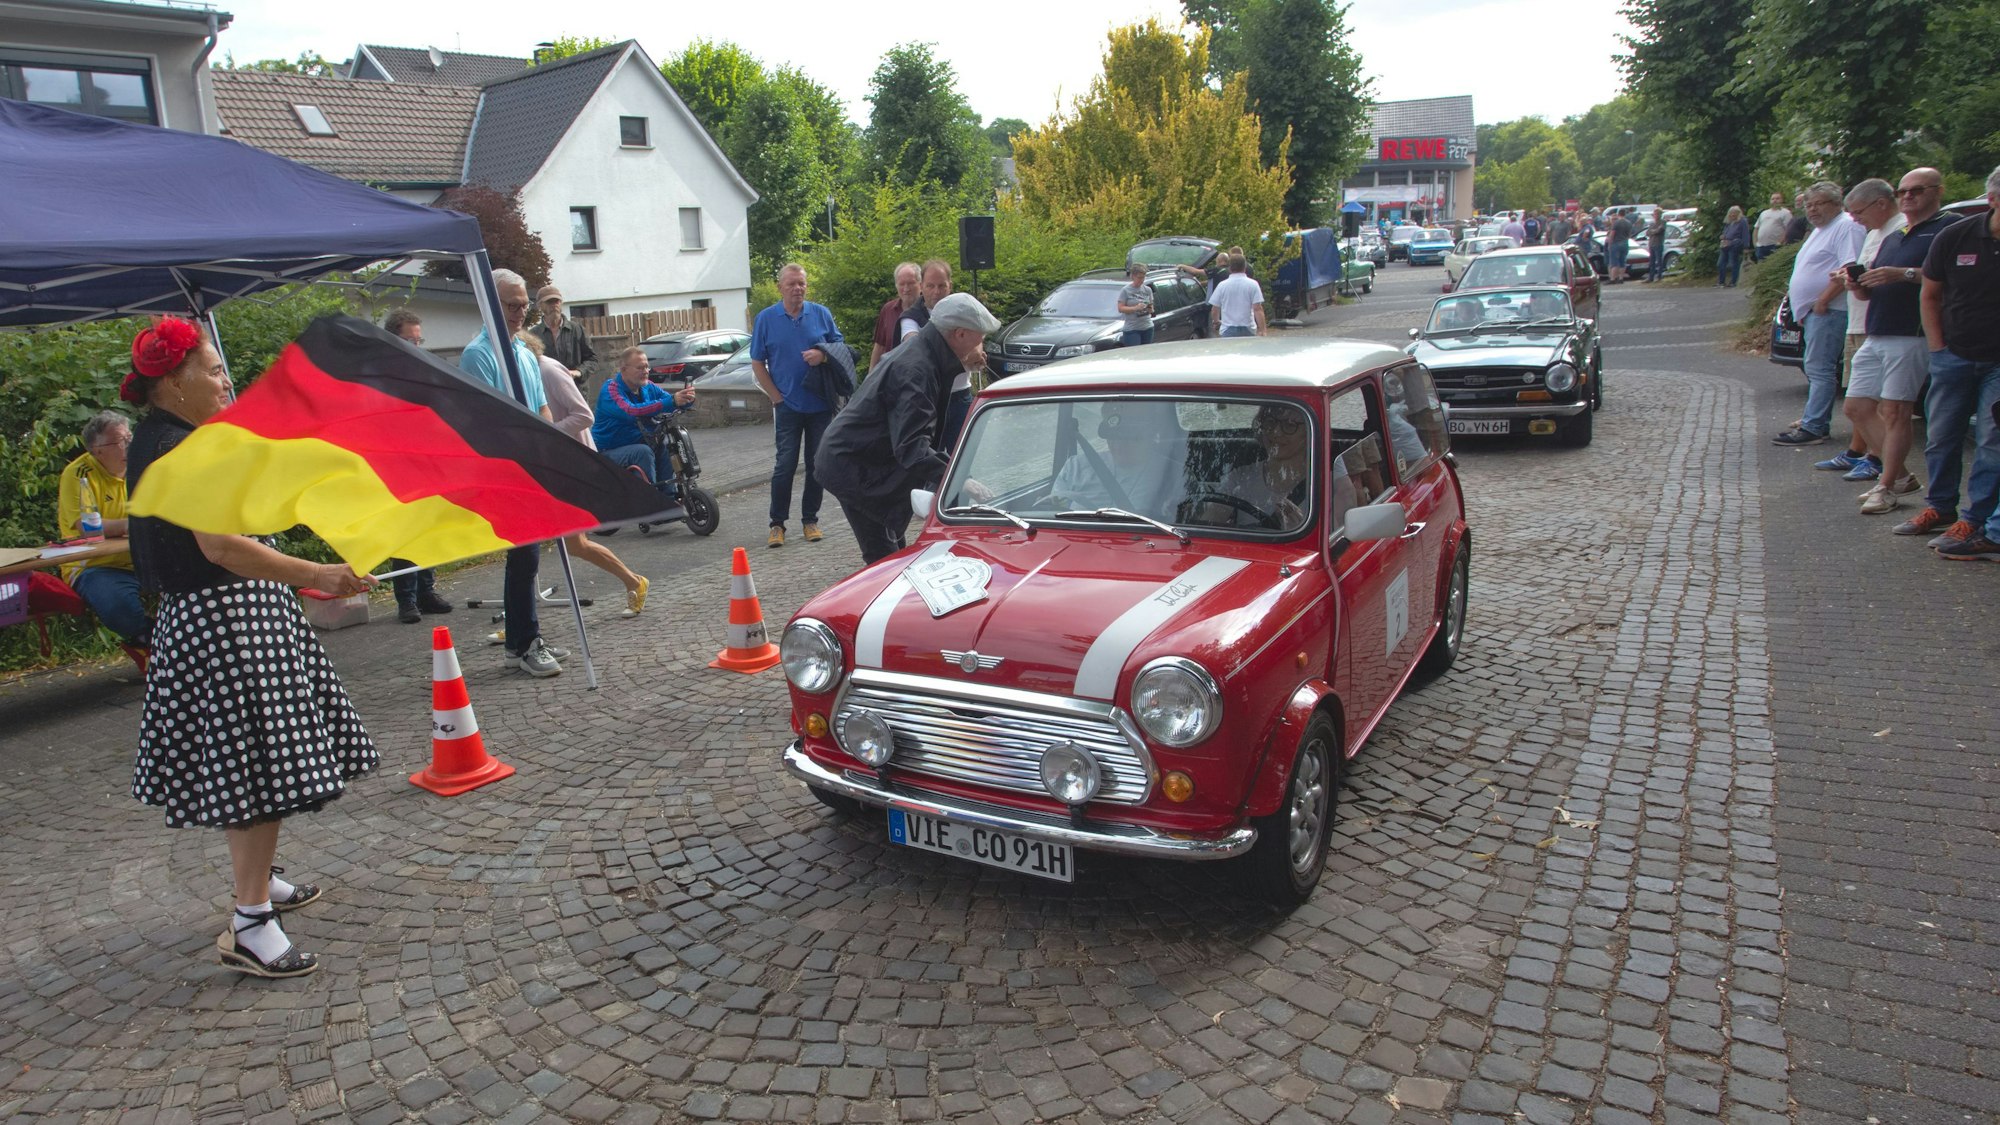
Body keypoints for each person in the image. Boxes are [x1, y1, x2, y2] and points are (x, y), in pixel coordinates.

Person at [119, 316, 377, 979]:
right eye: (212, 369)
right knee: (260, 771)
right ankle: (251, 919)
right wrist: (318, 574)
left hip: (225, 618)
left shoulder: (163, 439)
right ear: (173, 381)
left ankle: (261, 881)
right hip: (228, 623)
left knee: (263, 765)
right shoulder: (186, 448)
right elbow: (221, 548)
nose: (226, 377)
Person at [814, 293, 1001, 564]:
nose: (981, 343)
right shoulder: (917, 369)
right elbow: (912, 447)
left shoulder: (926, 352)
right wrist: (959, 479)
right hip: (854, 466)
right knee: (885, 561)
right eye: (979, 336)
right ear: (959, 334)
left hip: (866, 460)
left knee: (897, 553)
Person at [461, 268, 563, 677]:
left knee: (528, 557)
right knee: (524, 554)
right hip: (505, 466)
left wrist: (548, 447)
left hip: (532, 461)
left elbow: (541, 407)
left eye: (524, 304)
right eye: (512, 305)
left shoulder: (523, 350)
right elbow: (485, 419)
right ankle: (523, 642)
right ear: (490, 304)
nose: (521, 312)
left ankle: (523, 639)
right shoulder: (479, 354)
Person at [1840, 170, 1955, 517]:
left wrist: (1901, 274)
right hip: (1878, 328)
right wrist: (1859, 283)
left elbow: (1949, 278)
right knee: (1856, 406)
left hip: (1912, 332)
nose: (1907, 197)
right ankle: (1901, 476)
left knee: (1896, 411)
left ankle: (1886, 486)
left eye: (1916, 191)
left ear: (1937, 191)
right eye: (1903, 191)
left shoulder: (1947, 228)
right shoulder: (1896, 233)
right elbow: (1876, 281)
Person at [526, 333, 650, 614]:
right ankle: (521, 619)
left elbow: (584, 416)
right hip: (545, 467)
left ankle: (634, 581)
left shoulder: (548, 370)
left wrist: (546, 433)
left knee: (574, 544)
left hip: (571, 466)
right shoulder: (527, 372)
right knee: (535, 543)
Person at [1916, 164, 2000, 561]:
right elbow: (1930, 295)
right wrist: (1938, 349)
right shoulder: (1957, 235)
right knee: (1941, 437)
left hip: (1997, 365)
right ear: (1993, 200)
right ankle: (1939, 507)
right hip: (1954, 356)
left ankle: (1974, 521)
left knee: (1991, 442)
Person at [1816, 179, 1906, 485]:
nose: (1854, 218)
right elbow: (1867, 270)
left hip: (1881, 326)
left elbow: (1899, 276)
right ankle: (1871, 458)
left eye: (1858, 211)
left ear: (1880, 203)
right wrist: (1849, 276)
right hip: (1862, 321)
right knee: (1856, 402)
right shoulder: (1874, 232)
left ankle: (1880, 463)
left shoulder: (1900, 230)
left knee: (1881, 404)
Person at [751, 263, 842, 549]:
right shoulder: (766, 319)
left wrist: (823, 356)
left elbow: (840, 349)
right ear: (780, 287)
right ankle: (777, 524)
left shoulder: (821, 314)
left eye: (801, 283)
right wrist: (776, 397)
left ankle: (810, 520)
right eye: (791, 284)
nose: (797, 289)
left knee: (817, 465)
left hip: (820, 405)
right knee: (785, 465)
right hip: (787, 405)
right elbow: (757, 362)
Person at [1773, 182, 1865, 446]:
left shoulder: (1845, 226)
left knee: (1820, 368)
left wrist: (1822, 301)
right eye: (1808, 204)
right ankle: (1812, 418)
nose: (1811, 209)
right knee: (1815, 367)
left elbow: (1851, 268)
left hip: (1832, 310)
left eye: (1819, 204)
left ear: (1837, 203)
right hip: (1817, 312)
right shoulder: (1822, 229)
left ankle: (1815, 427)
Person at [380, 310, 453, 624]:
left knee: (428, 525)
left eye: (418, 340)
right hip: (396, 460)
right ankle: (406, 600)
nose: (415, 346)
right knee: (406, 530)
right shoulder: (381, 374)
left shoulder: (420, 369)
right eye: (409, 340)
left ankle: (426, 591)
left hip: (425, 456)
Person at [56, 410, 149, 649]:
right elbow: (87, 528)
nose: (130, 444)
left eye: (130, 436)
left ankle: (178, 640)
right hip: (97, 564)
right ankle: (151, 643)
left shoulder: (142, 465)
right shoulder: (78, 475)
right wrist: (135, 525)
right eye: (121, 441)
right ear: (98, 451)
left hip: (142, 555)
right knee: (120, 607)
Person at [592, 345, 697, 514]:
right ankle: (649, 505)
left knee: (665, 443)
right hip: (608, 451)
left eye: (647, 366)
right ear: (624, 369)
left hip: (641, 441)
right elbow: (630, 411)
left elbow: (667, 401)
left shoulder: (648, 386)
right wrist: (672, 401)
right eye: (640, 368)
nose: (646, 371)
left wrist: (686, 399)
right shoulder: (610, 389)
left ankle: (668, 499)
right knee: (642, 452)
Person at [1050, 403, 1182, 516]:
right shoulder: (1076, 466)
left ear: (1150, 433)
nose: (1118, 445)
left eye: (1128, 437)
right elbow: (1055, 510)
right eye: (1112, 436)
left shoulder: (1173, 473)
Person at [1211, 403, 1312, 530]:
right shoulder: (1239, 477)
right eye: (1270, 422)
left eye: (1290, 425)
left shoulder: (1326, 484)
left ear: (1310, 431)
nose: (1276, 432)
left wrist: (1302, 532)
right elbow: (1208, 523)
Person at [528, 285, 597, 378]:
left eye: (557, 301)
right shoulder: (533, 335)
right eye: (549, 302)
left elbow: (592, 359)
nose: (554, 305)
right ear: (540, 305)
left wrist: (579, 372)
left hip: (575, 387)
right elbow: (530, 365)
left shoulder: (577, 329)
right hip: (548, 389)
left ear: (561, 303)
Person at [869, 261, 921, 370]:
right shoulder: (888, 310)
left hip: (921, 377)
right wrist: (870, 378)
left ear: (920, 284)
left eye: (910, 283)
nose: (906, 289)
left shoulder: (929, 310)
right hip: (891, 378)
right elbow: (879, 347)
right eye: (902, 284)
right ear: (896, 285)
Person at [1209, 253, 1267, 338]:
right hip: (1248, 329)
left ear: (1229, 268)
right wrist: (1262, 330)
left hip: (1227, 329)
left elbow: (1215, 308)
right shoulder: (1253, 284)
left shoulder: (1222, 285)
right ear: (1245, 267)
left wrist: (1216, 321)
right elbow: (1258, 309)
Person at [1116, 262, 1156, 347]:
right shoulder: (1125, 290)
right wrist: (1135, 308)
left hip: (1147, 326)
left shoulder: (1148, 290)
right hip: (1132, 328)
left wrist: (1150, 309)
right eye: (1139, 277)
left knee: (1146, 353)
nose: (1141, 280)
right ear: (1133, 276)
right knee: (1135, 353)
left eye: (1143, 277)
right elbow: (1120, 308)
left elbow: (1151, 306)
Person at [1753, 192, 1792, 262]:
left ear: (1782, 200)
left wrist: (1780, 242)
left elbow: (1789, 229)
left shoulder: (1786, 213)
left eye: (1777, 198)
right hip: (1761, 246)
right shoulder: (1764, 213)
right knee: (1760, 269)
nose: (1775, 200)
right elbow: (1756, 228)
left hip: (1775, 246)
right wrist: (1755, 243)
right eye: (1773, 199)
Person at [1718, 206, 1750, 287]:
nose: (1732, 214)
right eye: (1731, 212)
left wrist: (1746, 247)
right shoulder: (1729, 222)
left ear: (1738, 213)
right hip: (1725, 244)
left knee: (1733, 263)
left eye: (1735, 212)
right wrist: (1723, 236)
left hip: (1735, 244)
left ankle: (1734, 281)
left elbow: (1745, 234)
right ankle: (1721, 281)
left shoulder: (1742, 221)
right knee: (1721, 263)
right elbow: (1725, 232)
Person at [1606, 211, 1634, 283]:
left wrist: (1609, 244)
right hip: (1625, 243)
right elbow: (1629, 234)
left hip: (1616, 243)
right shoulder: (1629, 223)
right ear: (1625, 214)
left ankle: (1612, 279)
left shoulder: (1616, 223)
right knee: (1623, 261)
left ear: (1619, 214)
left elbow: (1612, 234)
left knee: (1614, 262)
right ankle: (1621, 278)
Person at [1644, 212, 1669, 282]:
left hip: (1658, 243)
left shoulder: (1663, 222)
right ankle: (1650, 277)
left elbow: (1659, 230)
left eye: (1657, 214)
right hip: (1651, 243)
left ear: (1660, 215)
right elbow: (1647, 233)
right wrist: (1653, 231)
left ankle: (1659, 276)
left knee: (1659, 261)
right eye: (1655, 214)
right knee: (1651, 262)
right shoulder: (1652, 223)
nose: (1656, 215)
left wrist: (1653, 231)